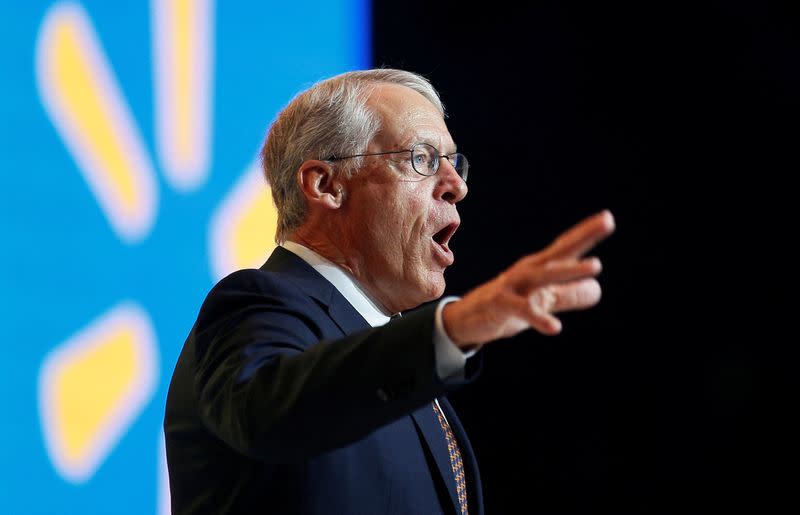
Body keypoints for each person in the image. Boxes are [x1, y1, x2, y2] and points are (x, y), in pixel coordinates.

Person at [164, 68, 615, 515]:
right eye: (421, 158)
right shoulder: (257, 302)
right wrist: (452, 328)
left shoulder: (388, 347)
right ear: (326, 185)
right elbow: (270, 416)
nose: (457, 186)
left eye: (454, 164)